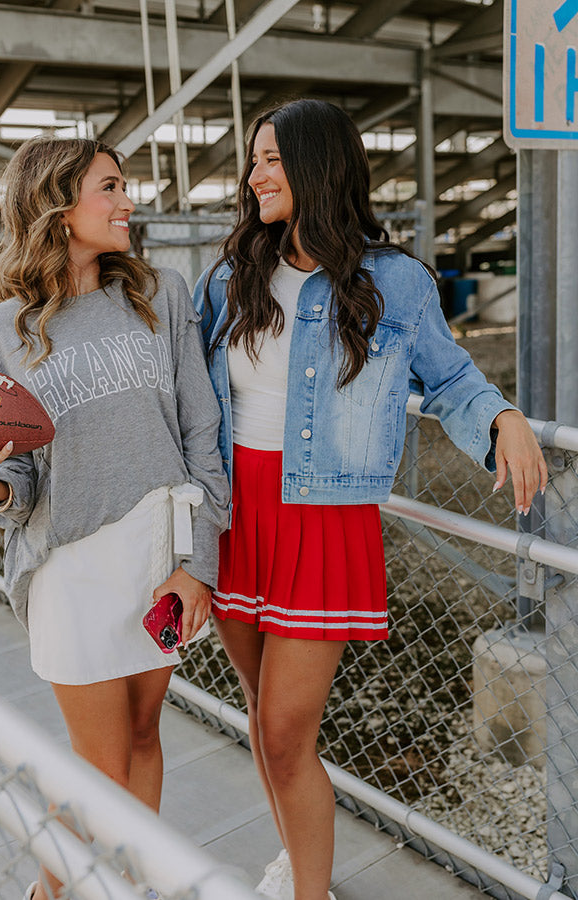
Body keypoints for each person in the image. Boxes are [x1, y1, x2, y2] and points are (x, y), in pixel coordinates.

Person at [192, 98, 548, 900]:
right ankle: (297, 856)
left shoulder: (395, 283)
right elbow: (185, 394)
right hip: (233, 515)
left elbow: (451, 377)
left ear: (320, 167)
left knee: (286, 732)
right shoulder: (229, 277)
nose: (255, 177)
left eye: (272, 160)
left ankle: (309, 893)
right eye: (253, 161)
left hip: (321, 519)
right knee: (259, 718)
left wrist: (501, 414)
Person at [0, 137, 229, 900]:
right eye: (110, 188)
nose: (129, 202)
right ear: (56, 207)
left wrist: (199, 564)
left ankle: (125, 888)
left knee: (146, 737)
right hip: (69, 566)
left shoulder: (163, 293)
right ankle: (55, 893)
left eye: (125, 186)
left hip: (161, 554)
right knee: (97, 765)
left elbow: (200, 437)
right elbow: (13, 487)